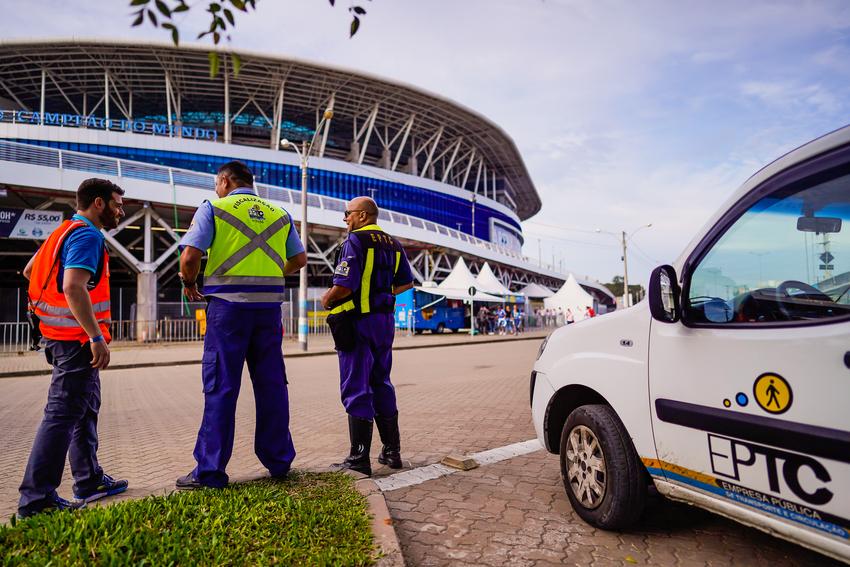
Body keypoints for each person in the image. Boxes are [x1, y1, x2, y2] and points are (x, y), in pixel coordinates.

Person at [176, 161, 307, 489]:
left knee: (221, 386)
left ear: (224, 181)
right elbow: (300, 259)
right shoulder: (280, 214)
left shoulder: (213, 208)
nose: (216, 189)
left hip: (228, 310)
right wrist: (273, 273)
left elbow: (190, 257)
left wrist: (189, 283)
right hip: (269, 312)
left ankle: (210, 471)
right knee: (272, 385)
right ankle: (279, 461)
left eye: (216, 184)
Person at [18, 178, 128, 518]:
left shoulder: (62, 231)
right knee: (62, 414)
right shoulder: (87, 235)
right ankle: (36, 499)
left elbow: (30, 271)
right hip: (76, 341)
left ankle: (88, 479)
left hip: (58, 337)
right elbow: (73, 286)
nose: (121, 211)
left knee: (85, 407)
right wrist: (95, 336)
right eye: (117, 204)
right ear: (99, 203)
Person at [321, 196, 414, 476]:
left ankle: (359, 458)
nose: (345, 218)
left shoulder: (355, 241)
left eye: (347, 213)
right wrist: (380, 292)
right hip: (384, 323)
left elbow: (344, 286)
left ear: (362, 215)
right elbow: (406, 283)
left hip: (357, 322)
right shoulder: (394, 244)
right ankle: (392, 452)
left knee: (356, 386)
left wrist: (327, 299)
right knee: (381, 382)